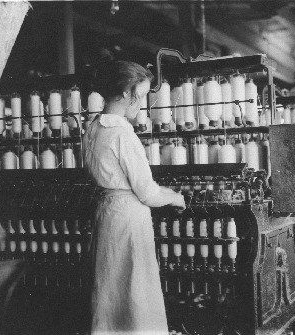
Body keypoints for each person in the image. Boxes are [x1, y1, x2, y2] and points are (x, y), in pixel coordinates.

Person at [83, 60, 185, 334]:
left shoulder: (92, 128)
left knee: (110, 288)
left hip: (107, 213)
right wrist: (175, 197)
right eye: (140, 96)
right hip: (129, 217)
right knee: (135, 292)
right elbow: (147, 192)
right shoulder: (122, 133)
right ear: (127, 93)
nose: (141, 104)